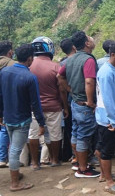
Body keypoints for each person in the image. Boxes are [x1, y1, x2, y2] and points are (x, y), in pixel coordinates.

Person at [0, 44, 45, 191]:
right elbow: (35, 103)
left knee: (13, 146)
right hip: (22, 120)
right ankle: (15, 183)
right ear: (30, 58)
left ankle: (16, 173)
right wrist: (41, 122)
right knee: (15, 150)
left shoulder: (4, 72)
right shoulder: (29, 77)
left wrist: (1, 114)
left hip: (8, 117)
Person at [57, 31, 101, 178]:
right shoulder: (88, 60)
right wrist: (90, 101)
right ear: (87, 43)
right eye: (89, 38)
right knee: (83, 136)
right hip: (84, 105)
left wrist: (69, 90)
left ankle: (77, 162)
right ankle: (83, 169)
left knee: (76, 133)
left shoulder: (70, 59)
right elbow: (89, 81)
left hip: (75, 102)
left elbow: (59, 76)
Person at [28, 37, 67, 169]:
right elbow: (61, 89)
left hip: (33, 108)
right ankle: (54, 160)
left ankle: (34, 162)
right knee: (54, 134)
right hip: (53, 107)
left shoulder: (28, 66)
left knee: (33, 134)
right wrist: (65, 106)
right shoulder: (56, 66)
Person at [95, 41, 115, 194]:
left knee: (103, 147)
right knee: (107, 151)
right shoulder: (107, 72)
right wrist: (113, 120)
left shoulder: (114, 69)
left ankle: (103, 174)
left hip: (111, 117)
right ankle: (109, 182)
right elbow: (107, 98)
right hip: (108, 119)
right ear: (113, 54)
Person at [0, 41, 15, 168]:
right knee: (10, 129)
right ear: (10, 52)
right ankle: (12, 160)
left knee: (4, 130)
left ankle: (1, 158)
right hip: (8, 100)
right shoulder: (11, 64)